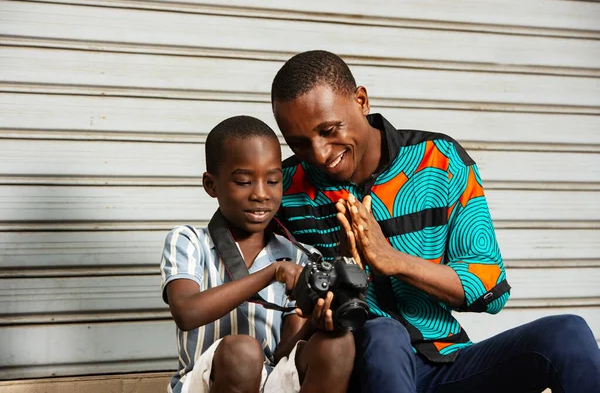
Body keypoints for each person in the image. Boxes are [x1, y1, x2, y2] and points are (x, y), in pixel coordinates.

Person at [271, 50, 600, 393]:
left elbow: (489, 285)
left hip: (448, 364)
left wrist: (394, 261)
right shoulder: (285, 187)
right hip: (360, 370)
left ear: (361, 101)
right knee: (384, 332)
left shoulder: (439, 161)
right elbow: (273, 301)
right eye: (300, 143)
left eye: (329, 130)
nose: (320, 154)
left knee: (568, 334)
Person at [159, 115, 355, 393]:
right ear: (211, 185)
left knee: (339, 343)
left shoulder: (299, 256)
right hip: (203, 385)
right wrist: (271, 273)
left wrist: (314, 321)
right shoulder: (189, 241)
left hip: (269, 380)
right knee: (243, 351)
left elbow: (282, 354)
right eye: (243, 182)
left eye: (273, 181)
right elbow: (187, 313)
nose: (261, 194)